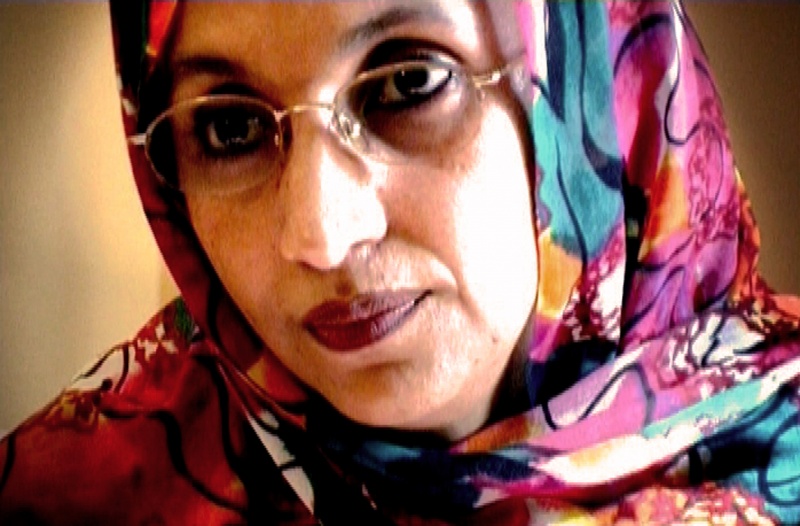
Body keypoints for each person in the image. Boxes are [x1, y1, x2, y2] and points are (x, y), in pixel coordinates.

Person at [1, 1, 799, 523]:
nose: (318, 234)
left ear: (597, 83)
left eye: (409, 82)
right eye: (230, 129)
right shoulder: (71, 493)